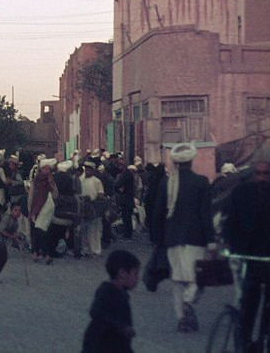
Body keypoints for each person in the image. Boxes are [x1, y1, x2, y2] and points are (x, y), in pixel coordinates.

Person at [151, 142, 215, 332]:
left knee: (178, 280)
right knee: (197, 278)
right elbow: (206, 214)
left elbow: (158, 213)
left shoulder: (166, 182)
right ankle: (189, 302)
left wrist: (157, 238)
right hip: (196, 239)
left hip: (171, 239)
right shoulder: (202, 182)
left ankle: (181, 318)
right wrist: (211, 240)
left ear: (176, 163)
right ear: (192, 160)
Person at [223, 156, 270, 350]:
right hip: (248, 255)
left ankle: (263, 338)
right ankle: (245, 340)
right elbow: (230, 221)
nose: (261, 178)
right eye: (258, 174)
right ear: (252, 175)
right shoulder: (241, 193)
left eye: (266, 174)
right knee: (249, 298)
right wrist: (230, 247)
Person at [81, 249, 140, 353]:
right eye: (135, 274)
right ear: (122, 273)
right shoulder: (107, 291)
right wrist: (121, 327)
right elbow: (96, 311)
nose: (137, 279)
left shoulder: (123, 295)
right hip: (99, 344)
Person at [81, 162, 105, 257]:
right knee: (84, 229)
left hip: (93, 207)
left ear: (93, 170)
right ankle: (85, 249)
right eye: (86, 169)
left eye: (89, 169)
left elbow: (100, 193)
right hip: (83, 207)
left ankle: (95, 250)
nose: (87, 171)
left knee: (94, 230)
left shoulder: (97, 181)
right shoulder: (81, 180)